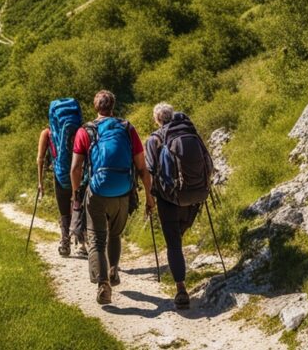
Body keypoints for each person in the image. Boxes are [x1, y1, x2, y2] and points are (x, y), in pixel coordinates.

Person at [71, 90, 154, 305]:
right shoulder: (127, 128)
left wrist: (76, 193)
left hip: (97, 192)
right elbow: (142, 168)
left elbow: (75, 168)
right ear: (113, 106)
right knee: (115, 234)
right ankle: (114, 269)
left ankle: (103, 284)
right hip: (123, 191)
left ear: (95, 107)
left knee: (97, 241)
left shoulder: (85, 131)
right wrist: (149, 197)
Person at [145, 102, 213, 310]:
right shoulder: (191, 134)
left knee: (173, 243)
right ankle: (180, 266)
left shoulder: (154, 139)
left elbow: (149, 171)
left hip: (169, 199)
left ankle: (181, 289)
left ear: (157, 119)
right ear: (172, 116)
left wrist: (150, 200)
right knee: (179, 235)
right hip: (195, 196)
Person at [37, 126, 73, 256]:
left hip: (60, 175)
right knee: (78, 205)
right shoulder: (76, 127)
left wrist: (40, 182)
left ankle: (65, 242)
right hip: (78, 172)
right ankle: (83, 241)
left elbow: (40, 159)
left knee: (63, 209)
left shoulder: (47, 132)